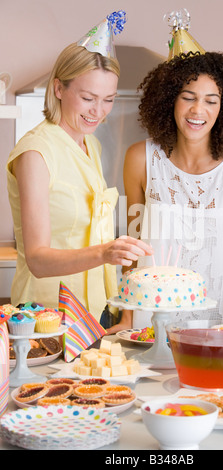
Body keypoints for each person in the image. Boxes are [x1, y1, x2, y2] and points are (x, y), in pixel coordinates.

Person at [109, 50, 223, 332]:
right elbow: (134, 242)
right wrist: (127, 317)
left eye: (211, 101)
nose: (197, 110)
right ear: (170, 100)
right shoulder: (140, 159)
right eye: (188, 97)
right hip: (152, 326)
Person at [6, 29, 152, 326]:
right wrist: (105, 252)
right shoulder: (36, 152)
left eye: (108, 100)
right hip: (47, 315)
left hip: (96, 310)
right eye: (88, 98)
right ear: (59, 88)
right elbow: (37, 259)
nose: (98, 112)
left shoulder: (90, 145)